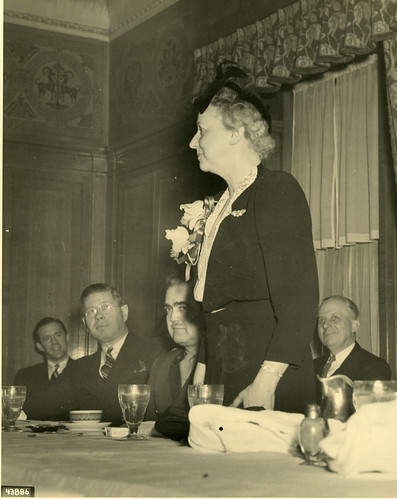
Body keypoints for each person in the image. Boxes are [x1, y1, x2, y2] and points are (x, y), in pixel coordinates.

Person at [186, 62, 319, 413]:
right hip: (222, 367)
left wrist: (266, 380)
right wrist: (202, 367)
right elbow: (214, 302)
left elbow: (299, 300)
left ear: (235, 133)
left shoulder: (275, 190)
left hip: (264, 374)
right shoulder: (221, 206)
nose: (192, 142)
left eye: (202, 131)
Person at [69, 283, 162, 425]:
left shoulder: (157, 351)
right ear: (85, 323)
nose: (99, 316)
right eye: (91, 311)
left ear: (124, 312)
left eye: (105, 307)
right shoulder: (78, 368)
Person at [146, 273, 204, 421]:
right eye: (168, 309)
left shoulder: (226, 365)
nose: (172, 318)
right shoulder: (160, 366)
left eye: (182, 307)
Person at [314, 296, 391, 389]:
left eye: (334, 318)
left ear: (354, 326)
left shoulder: (374, 367)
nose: (325, 325)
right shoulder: (311, 366)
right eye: (321, 320)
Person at [14, 317, 76, 420]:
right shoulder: (24, 376)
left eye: (58, 335)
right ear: (40, 346)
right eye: (47, 338)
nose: (54, 342)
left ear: (67, 338)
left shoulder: (84, 371)